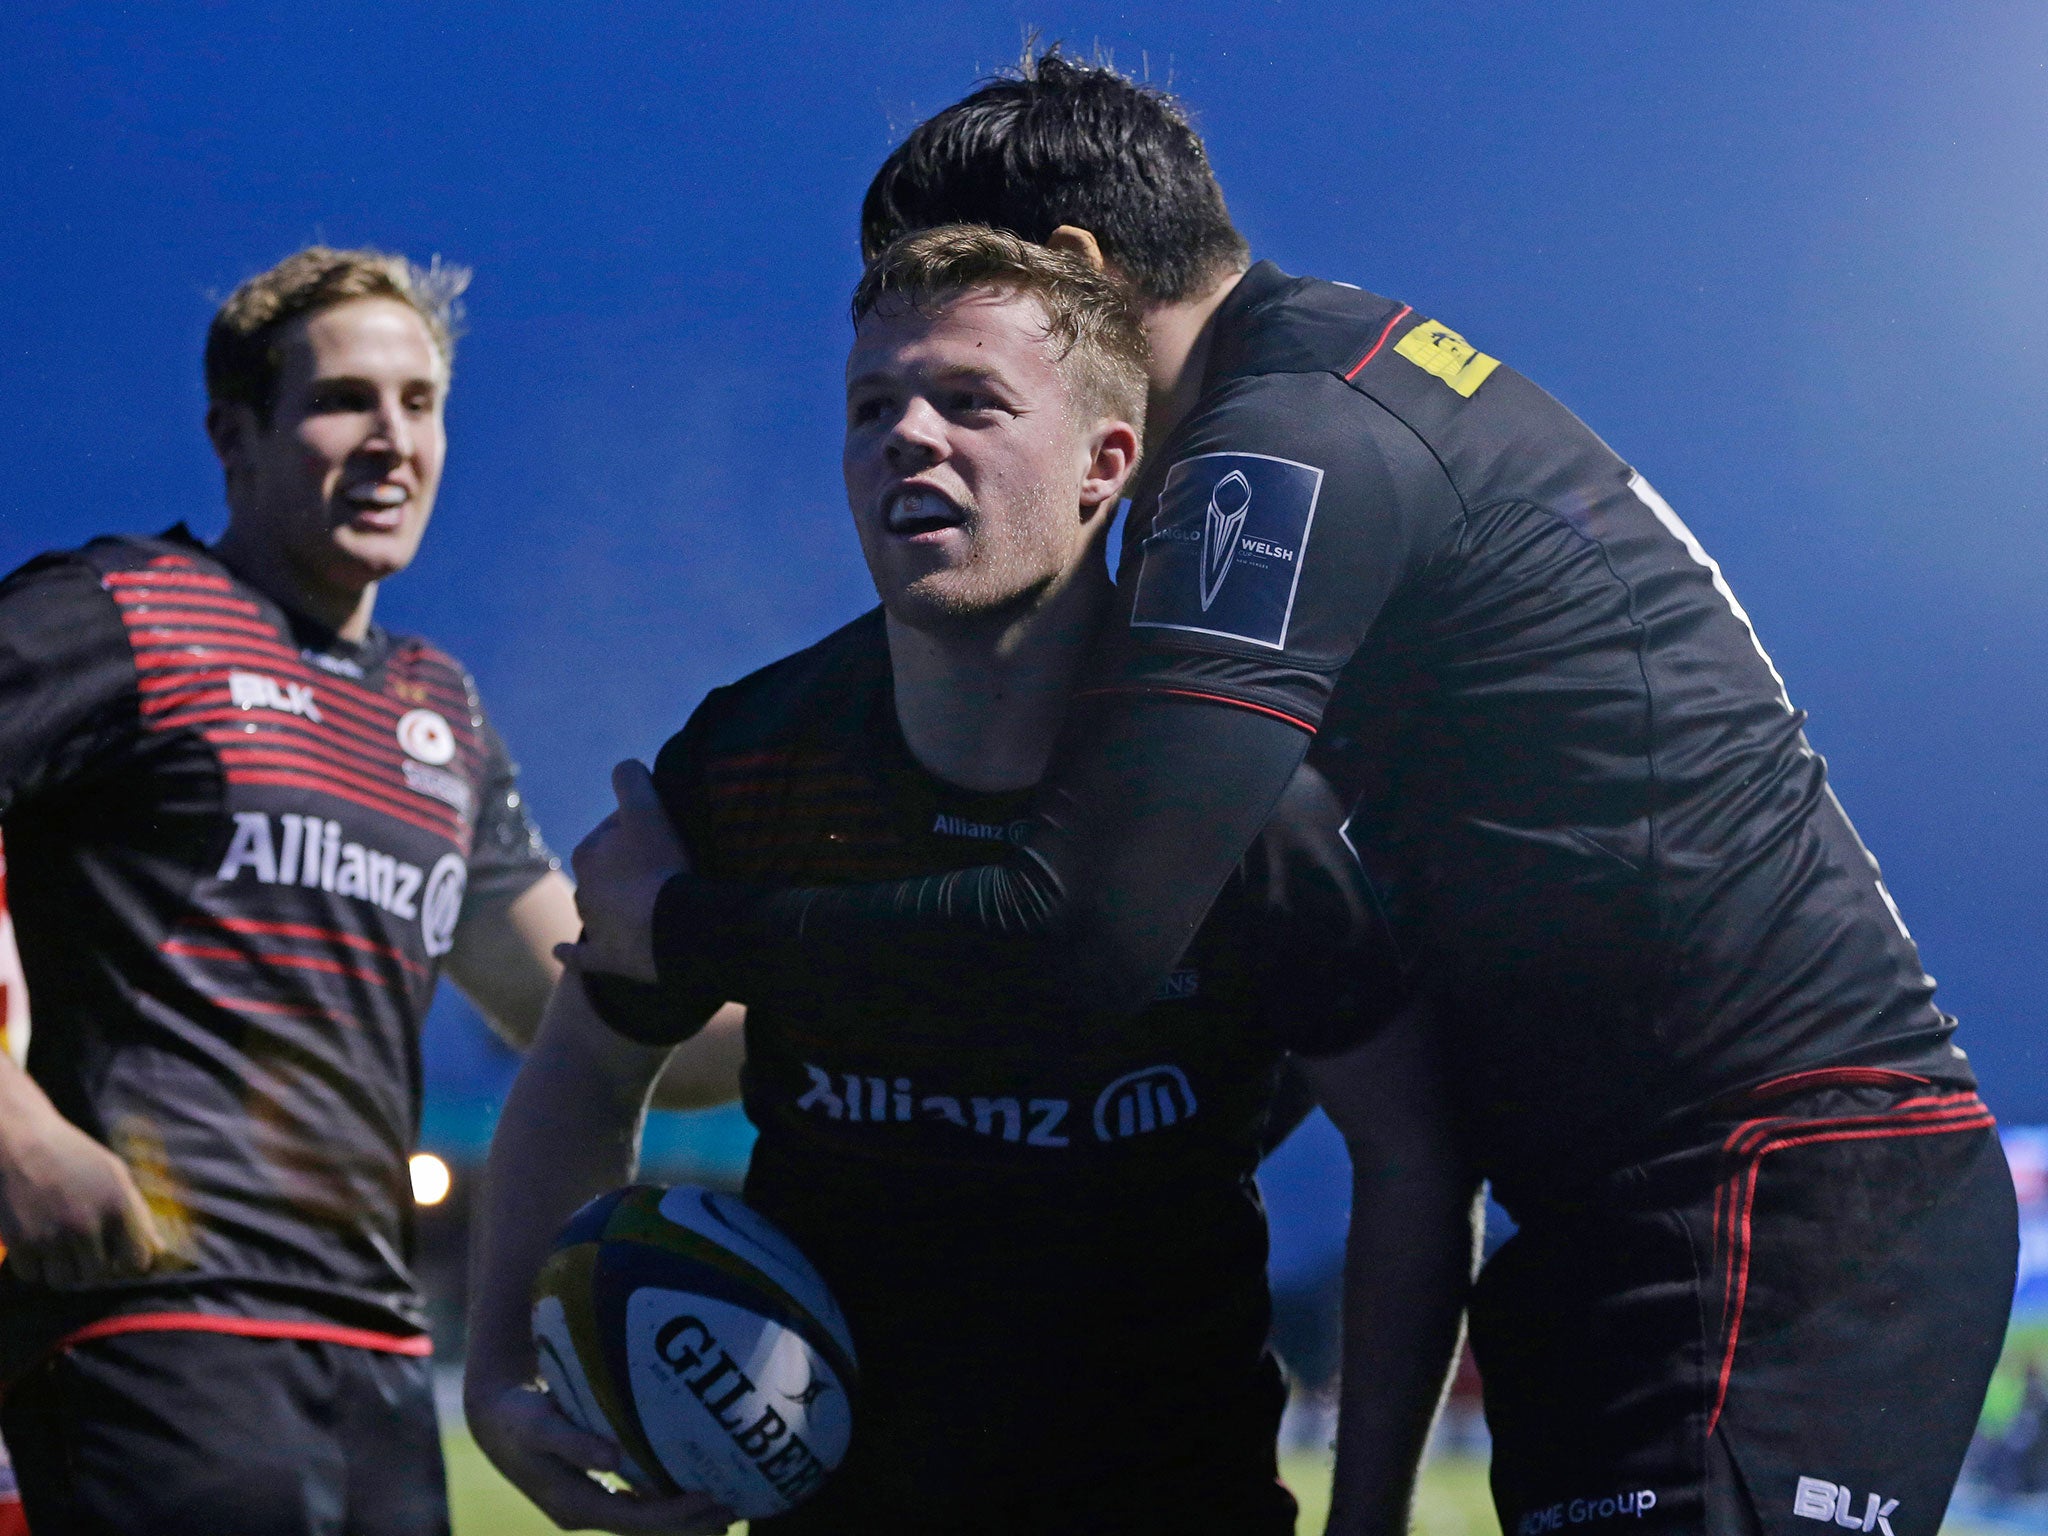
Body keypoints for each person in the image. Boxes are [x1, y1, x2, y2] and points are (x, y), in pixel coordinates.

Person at [571, 52, 2020, 1536]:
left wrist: (683, 930)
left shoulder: (1273, 454)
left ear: (1075, 272)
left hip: (1759, 1182)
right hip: (1660, 1195)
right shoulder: (1343, 376)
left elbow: (1081, 938)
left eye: (967, 301)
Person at [466, 228, 1477, 1536]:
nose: (909, 436)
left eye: (972, 402)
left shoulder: (1235, 791)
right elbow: (589, 1063)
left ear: (1107, 464)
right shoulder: (752, 760)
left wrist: (1373, 1515)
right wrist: (499, 1375)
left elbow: (1412, 1143)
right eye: (872, 406)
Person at [0, 245, 737, 1536]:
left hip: (381, 1363)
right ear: (235, 433)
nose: (391, 440)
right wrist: (11, 1125)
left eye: (421, 401)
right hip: (159, 1326)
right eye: (345, 398)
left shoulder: (438, 712)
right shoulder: (120, 614)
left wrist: (841, 992)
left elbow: (598, 1006)